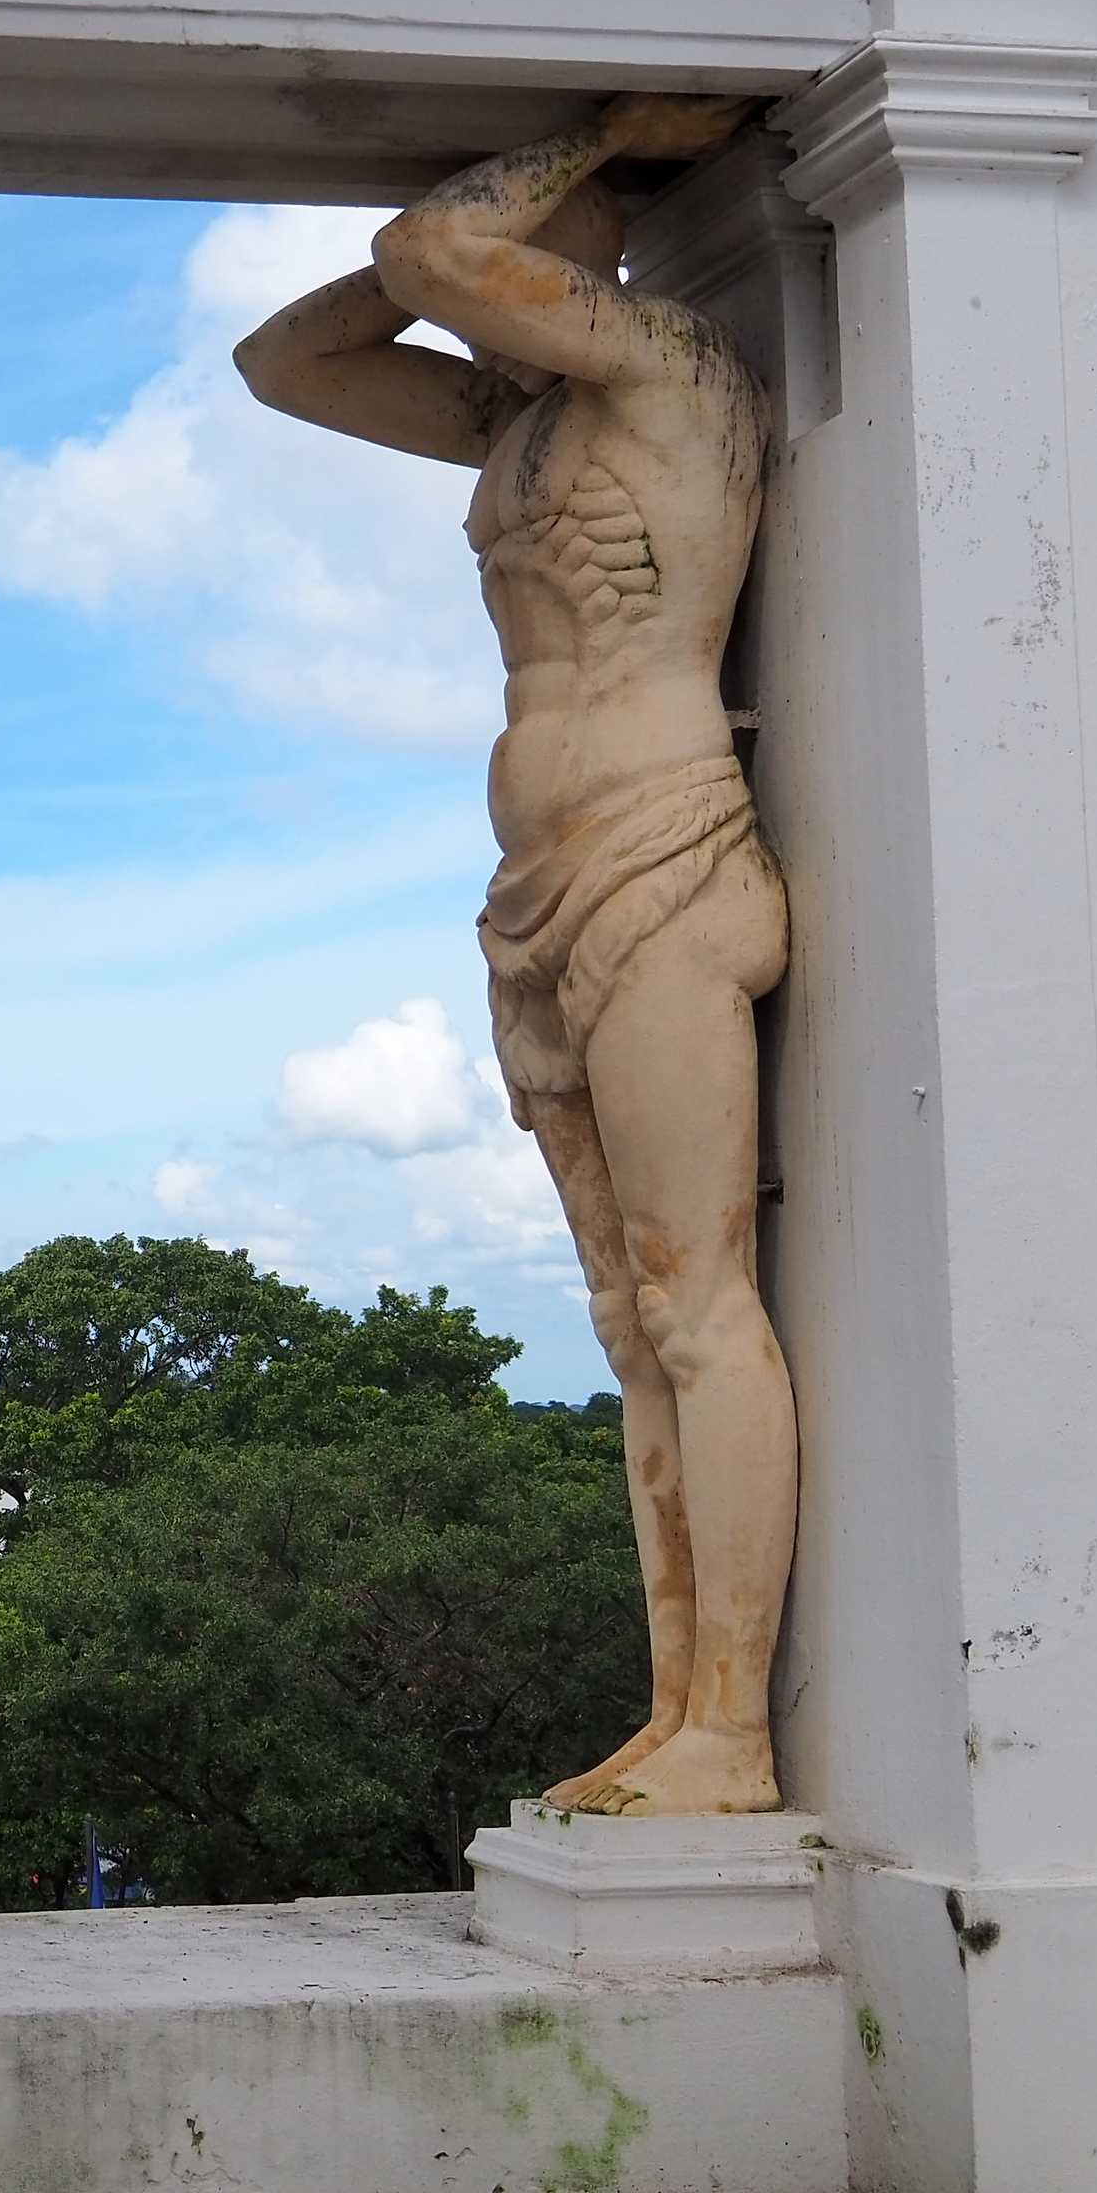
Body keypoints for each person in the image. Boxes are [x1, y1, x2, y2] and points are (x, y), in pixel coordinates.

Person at [233, 93, 797, 1815]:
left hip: (661, 852)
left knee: (698, 1302)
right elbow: (286, 362)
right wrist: (507, 215)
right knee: (630, 1322)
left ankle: (736, 1729)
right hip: (540, 879)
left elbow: (429, 252)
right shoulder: (517, 424)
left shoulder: (673, 371)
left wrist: (598, 137)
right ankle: (673, 1711)